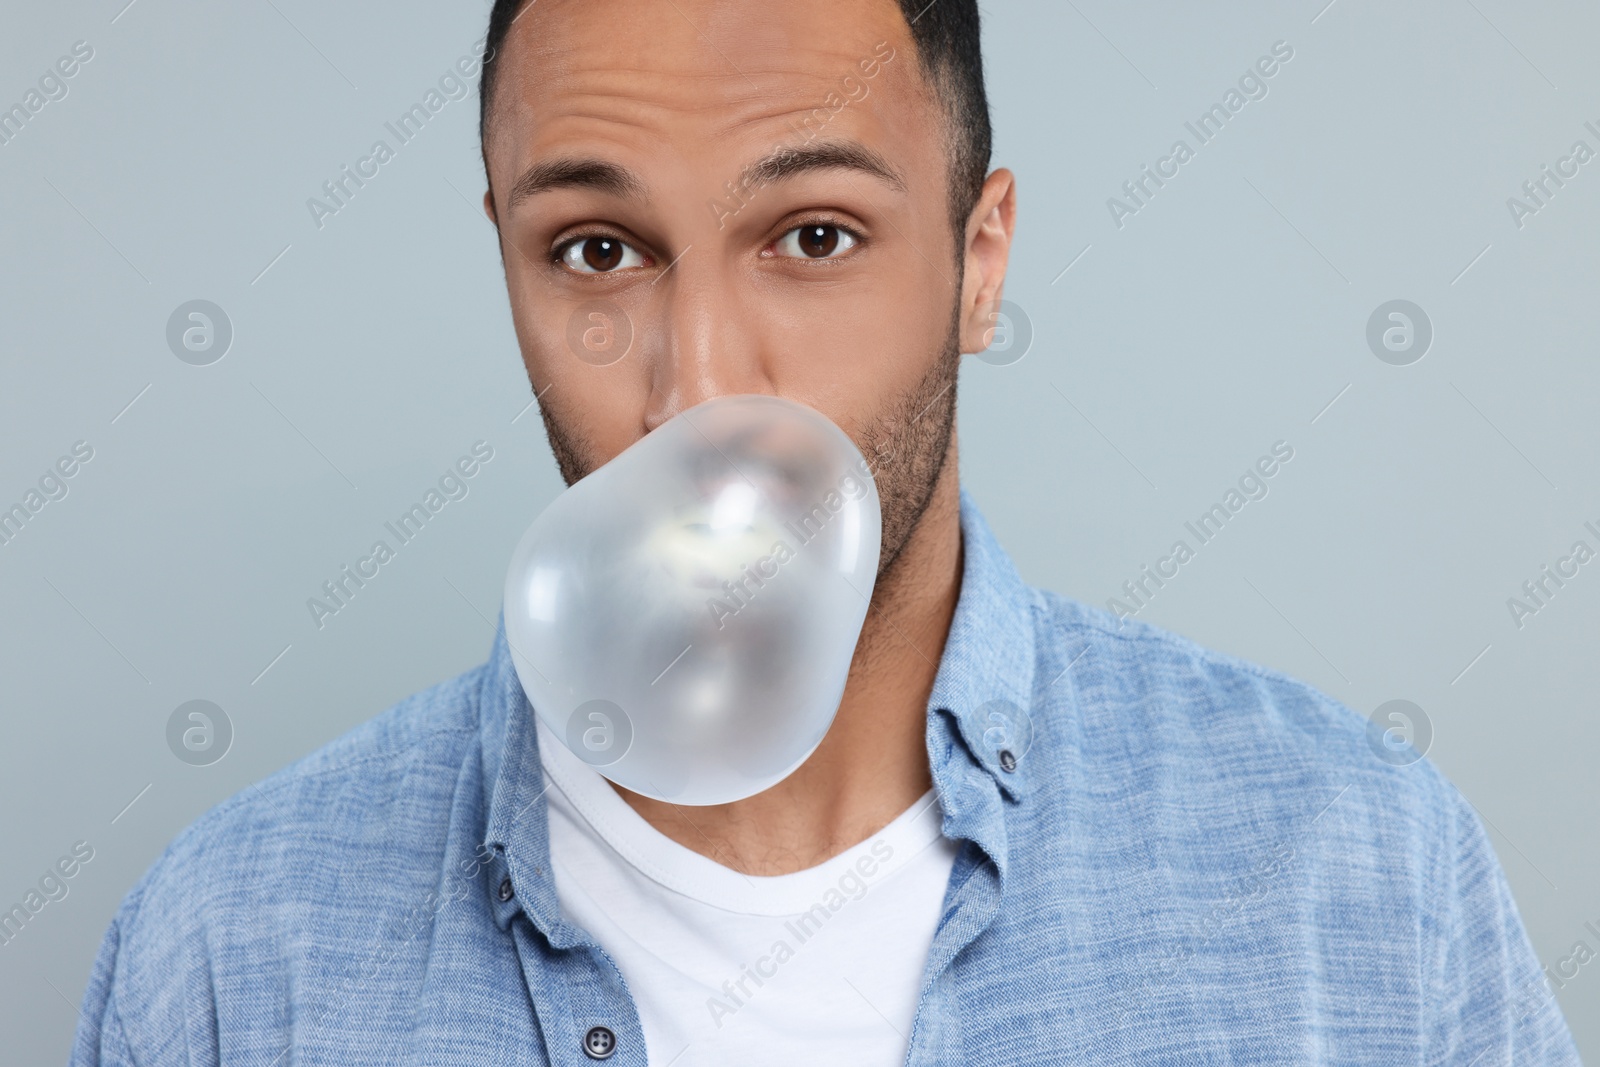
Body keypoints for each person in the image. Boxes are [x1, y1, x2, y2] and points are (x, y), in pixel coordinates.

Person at [72, 0, 1581, 1063]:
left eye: (814, 237)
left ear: (979, 264)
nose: (704, 380)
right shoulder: (225, 957)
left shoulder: (1363, 877)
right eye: (597, 250)